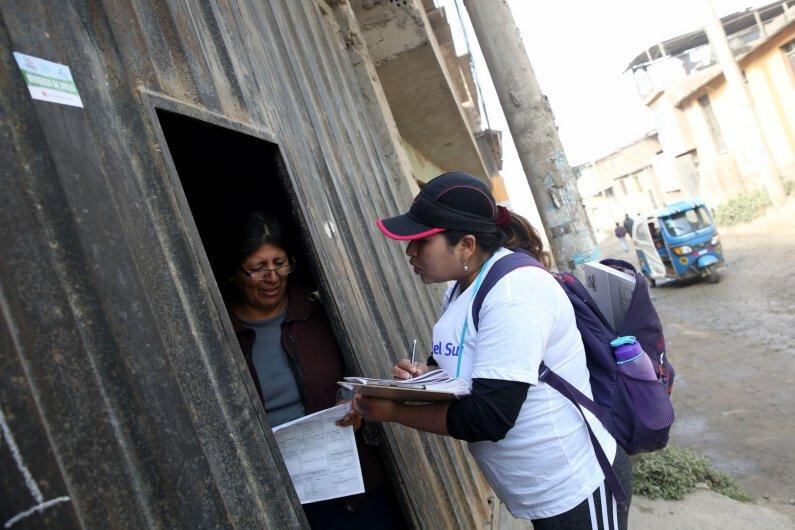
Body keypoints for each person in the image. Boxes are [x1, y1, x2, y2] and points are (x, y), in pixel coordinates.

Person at [357, 172, 632, 529]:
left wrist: (394, 410)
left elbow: (489, 417)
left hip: (576, 486)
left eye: (421, 241)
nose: (410, 251)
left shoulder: (515, 294)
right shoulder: (461, 289)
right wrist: (424, 379)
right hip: (540, 491)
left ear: (466, 246)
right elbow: (470, 370)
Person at [222, 212, 405, 530]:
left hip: (346, 479)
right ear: (234, 274)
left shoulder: (317, 310)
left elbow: (356, 371)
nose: (272, 276)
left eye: (279, 263)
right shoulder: (220, 330)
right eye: (257, 268)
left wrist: (353, 401)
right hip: (276, 487)